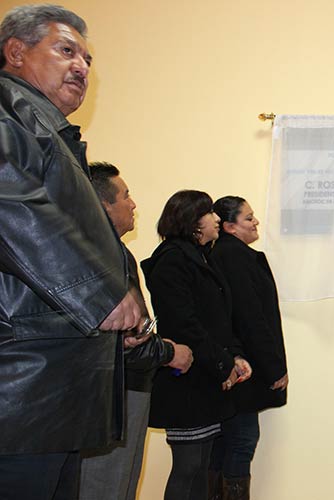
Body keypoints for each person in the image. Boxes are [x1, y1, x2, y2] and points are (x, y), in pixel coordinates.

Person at [0, 5, 142, 499]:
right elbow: (9, 205)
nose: (82, 66)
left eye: (86, 57)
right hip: (22, 389)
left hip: (50, 389)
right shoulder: (7, 109)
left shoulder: (51, 132)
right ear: (15, 52)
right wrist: (100, 297)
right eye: (66, 51)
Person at [79, 163, 194, 500]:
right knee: (106, 487)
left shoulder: (111, 251)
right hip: (115, 389)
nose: (133, 204)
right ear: (103, 205)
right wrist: (172, 353)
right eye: (125, 196)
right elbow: (128, 339)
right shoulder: (103, 253)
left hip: (123, 386)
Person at [142, 190, 252, 500]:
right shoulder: (173, 260)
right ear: (192, 221)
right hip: (187, 380)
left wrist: (231, 357)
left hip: (205, 376)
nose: (216, 218)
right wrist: (223, 365)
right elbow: (185, 326)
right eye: (209, 213)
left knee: (201, 467)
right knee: (188, 467)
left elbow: (218, 319)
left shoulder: (199, 256)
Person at [209, 196, 289, 499]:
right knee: (241, 441)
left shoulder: (229, 254)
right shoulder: (235, 257)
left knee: (224, 444)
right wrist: (274, 367)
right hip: (245, 365)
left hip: (237, 361)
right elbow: (251, 317)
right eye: (248, 218)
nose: (256, 222)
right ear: (229, 227)